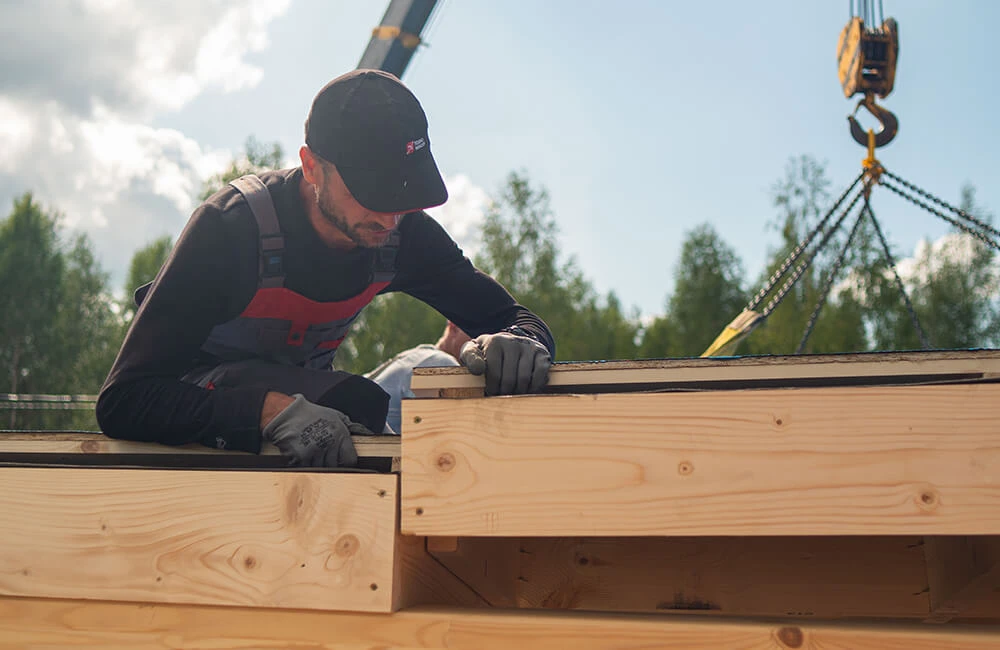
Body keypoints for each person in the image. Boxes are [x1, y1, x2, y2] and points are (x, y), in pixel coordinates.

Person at [96, 69, 554, 468]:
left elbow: (515, 318)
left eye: (403, 194)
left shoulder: (402, 233)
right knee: (354, 404)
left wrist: (521, 343)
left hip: (314, 406)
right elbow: (124, 400)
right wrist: (265, 412)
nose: (390, 218)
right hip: (203, 419)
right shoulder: (231, 230)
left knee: (432, 370)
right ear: (312, 167)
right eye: (372, 194)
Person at [365, 321, 471, 435]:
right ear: (454, 328)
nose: (483, 342)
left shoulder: (419, 357)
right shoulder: (441, 364)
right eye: (478, 332)